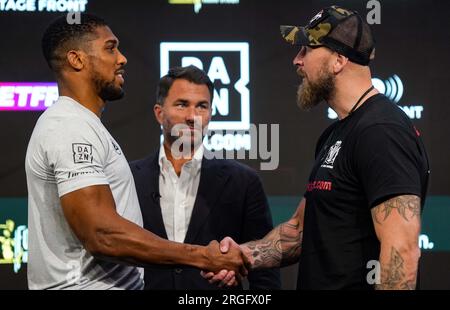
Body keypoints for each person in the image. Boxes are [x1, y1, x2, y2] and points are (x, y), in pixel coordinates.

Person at [204, 5, 430, 290]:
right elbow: (300, 231)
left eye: (306, 50)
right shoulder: (336, 133)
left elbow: (403, 252)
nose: (297, 61)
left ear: (337, 60)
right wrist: (243, 255)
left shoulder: (381, 131)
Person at [25, 14, 247, 290]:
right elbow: (101, 234)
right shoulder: (69, 126)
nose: (122, 58)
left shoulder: (84, 125)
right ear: (76, 59)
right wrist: (202, 256)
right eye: (110, 48)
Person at [130, 65, 281, 290]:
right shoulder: (129, 178)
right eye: (182, 104)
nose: (192, 117)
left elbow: (266, 273)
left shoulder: (243, 181)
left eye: (202, 106)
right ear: (159, 113)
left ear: (210, 113)